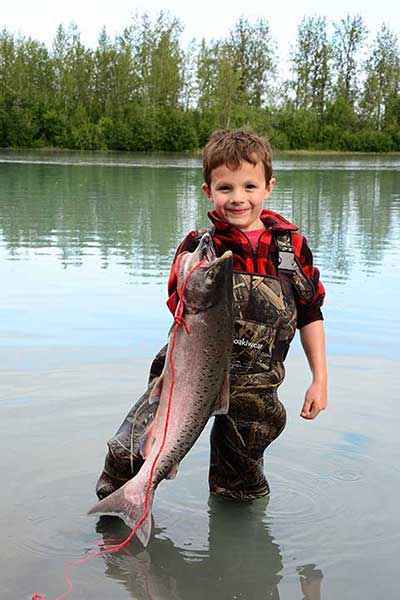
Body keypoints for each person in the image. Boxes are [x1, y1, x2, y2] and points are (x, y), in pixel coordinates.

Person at [95, 128, 327, 502]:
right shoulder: (198, 247)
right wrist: (193, 271)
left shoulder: (291, 247)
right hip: (187, 373)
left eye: (249, 187)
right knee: (128, 451)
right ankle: (116, 514)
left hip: (255, 384)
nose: (238, 199)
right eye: (226, 188)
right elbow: (178, 303)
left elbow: (310, 312)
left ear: (269, 187)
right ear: (208, 191)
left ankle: (235, 548)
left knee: (240, 485)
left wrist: (320, 378)